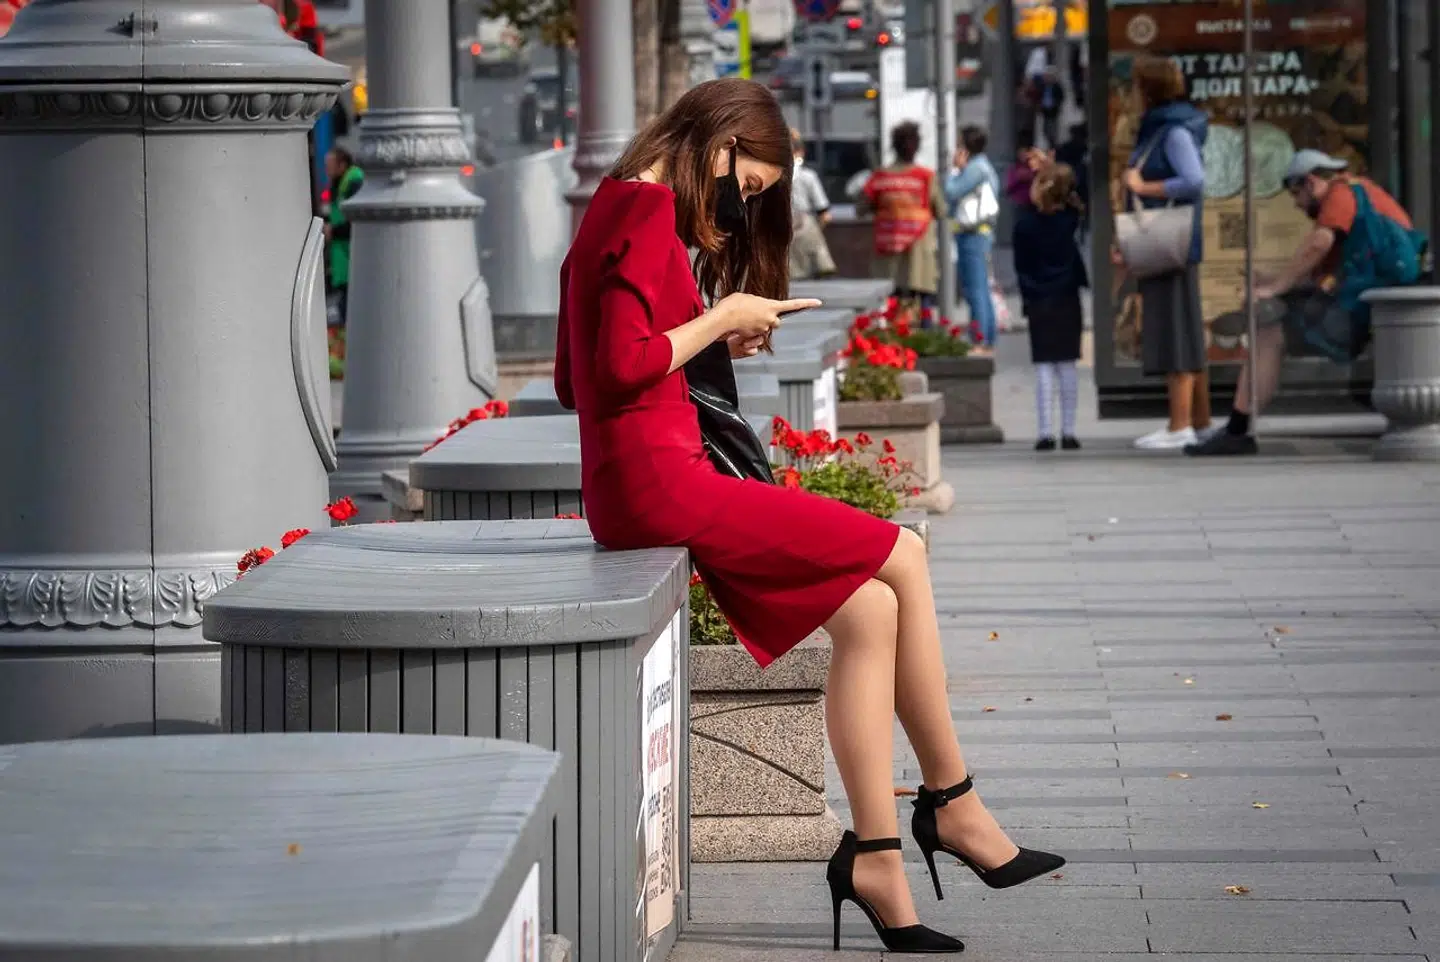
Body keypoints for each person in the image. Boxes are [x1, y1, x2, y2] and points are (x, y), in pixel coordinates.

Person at [553, 78, 1063, 954]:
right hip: (663, 482)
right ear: (719, 146)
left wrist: (714, 333)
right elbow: (612, 370)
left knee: (869, 612)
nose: (741, 202)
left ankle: (875, 858)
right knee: (901, 549)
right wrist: (720, 318)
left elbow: (577, 376)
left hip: (638, 482)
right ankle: (953, 801)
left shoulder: (613, 204)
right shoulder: (641, 211)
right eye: (747, 184)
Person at [1186, 149, 1423, 456]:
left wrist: (1275, 288)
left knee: (1269, 333)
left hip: (1370, 309)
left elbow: (1318, 244)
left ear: (1311, 182)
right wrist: (1271, 280)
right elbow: (1316, 271)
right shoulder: (1360, 196)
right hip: (1376, 305)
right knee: (1272, 326)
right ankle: (1238, 428)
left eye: (1296, 195)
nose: (1297, 206)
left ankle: (1238, 431)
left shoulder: (1341, 193)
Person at [1119, 54, 1217, 451]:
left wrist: (1144, 189)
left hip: (1167, 240)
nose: (1130, 95)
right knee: (1186, 328)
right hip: (1173, 241)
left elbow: (1193, 180)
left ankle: (1180, 426)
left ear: (1148, 90)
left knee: (1174, 329)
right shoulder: (1173, 124)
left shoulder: (1170, 130)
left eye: (1135, 87)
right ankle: (1199, 420)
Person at [1014, 161, 1088, 451]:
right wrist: (1053, 169)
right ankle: (1068, 431)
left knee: (1044, 365)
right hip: (1067, 295)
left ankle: (1045, 432)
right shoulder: (1070, 221)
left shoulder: (1025, 226)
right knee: (1068, 363)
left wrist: (1027, 296)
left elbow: (1021, 267)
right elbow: (1078, 192)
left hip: (1038, 298)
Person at [859, 121, 948, 312]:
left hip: (887, 254)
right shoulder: (926, 177)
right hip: (919, 253)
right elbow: (941, 210)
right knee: (922, 302)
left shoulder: (880, 176)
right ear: (916, 147)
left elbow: (861, 208)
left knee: (891, 306)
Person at [944, 125, 1001, 353]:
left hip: (973, 234)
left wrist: (955, 170)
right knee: (980, 287)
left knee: (974, 288)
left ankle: (980, 338)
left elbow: (951, 191)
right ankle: (987, 337)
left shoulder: (975, 169)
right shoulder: (982, 167)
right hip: (979, 234)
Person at [788, 127, 837, 280]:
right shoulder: (808, 177)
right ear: (801, 152)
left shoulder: (774, 177)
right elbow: (825, 214)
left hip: (781, 230)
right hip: (806, 227)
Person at [323, 147, 364, 328]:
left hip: (352, 259)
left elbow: (357, 221)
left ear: (342, 165)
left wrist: (333, 230)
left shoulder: (353, 183)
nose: (327, 170)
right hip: (344, 260)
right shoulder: (341, 184)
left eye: (330, 165)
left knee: (350, 316)